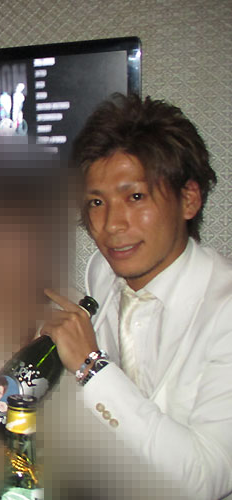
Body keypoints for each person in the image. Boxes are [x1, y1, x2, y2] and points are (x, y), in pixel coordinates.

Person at [41, 94, 232, 499]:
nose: (111, 225)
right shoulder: (102, 271)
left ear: (189, 198)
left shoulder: (225, 309)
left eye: (135, 197)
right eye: (97, 202)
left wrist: (92, 367)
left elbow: (206, 479)